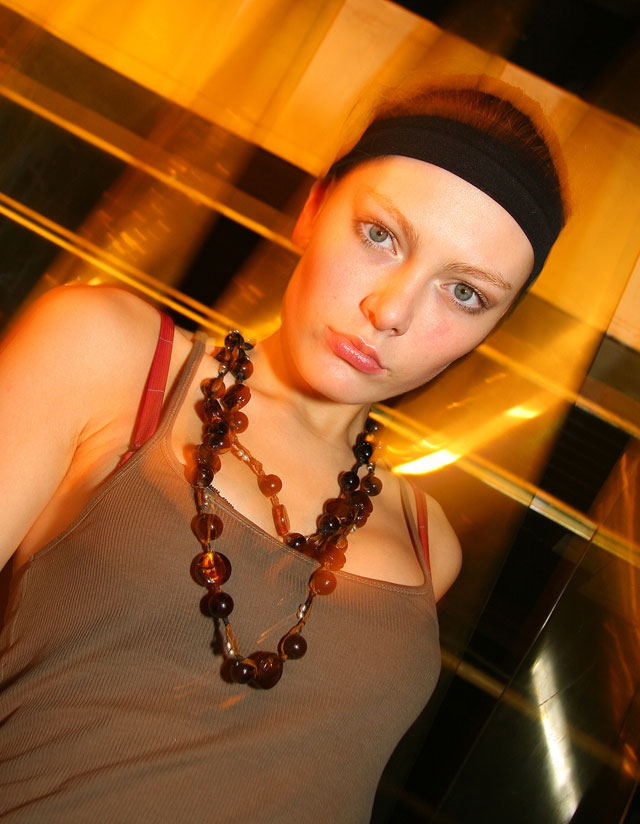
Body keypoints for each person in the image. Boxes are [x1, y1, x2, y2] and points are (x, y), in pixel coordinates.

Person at [0, 79, 566, 822]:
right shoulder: (114, 357)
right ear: (314, 209)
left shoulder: (431, 546)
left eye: (465, 293)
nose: (390, 311)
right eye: (381, 235)